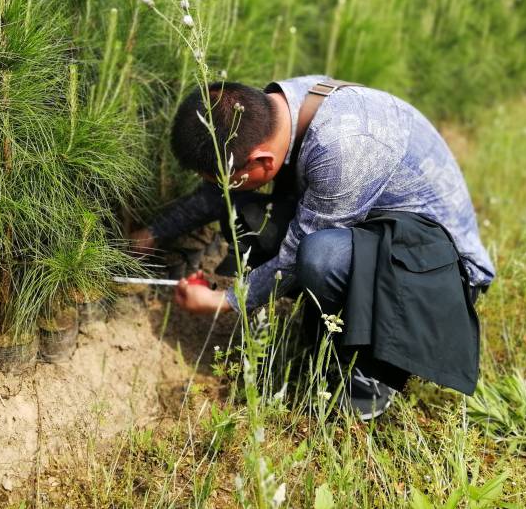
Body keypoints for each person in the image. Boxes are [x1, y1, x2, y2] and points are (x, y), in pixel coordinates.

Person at [130, 76, 495, 419]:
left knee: (320, 257)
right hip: (388, 239)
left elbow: (298, 250)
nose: (217, 187)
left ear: (261, 162)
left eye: (223, 178)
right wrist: (153, 233)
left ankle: (371, 373)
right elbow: (217, 195)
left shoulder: (342, 146)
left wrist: (226, 302)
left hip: (439, 276)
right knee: (253, 219)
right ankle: (327, 328)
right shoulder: (282, 107)